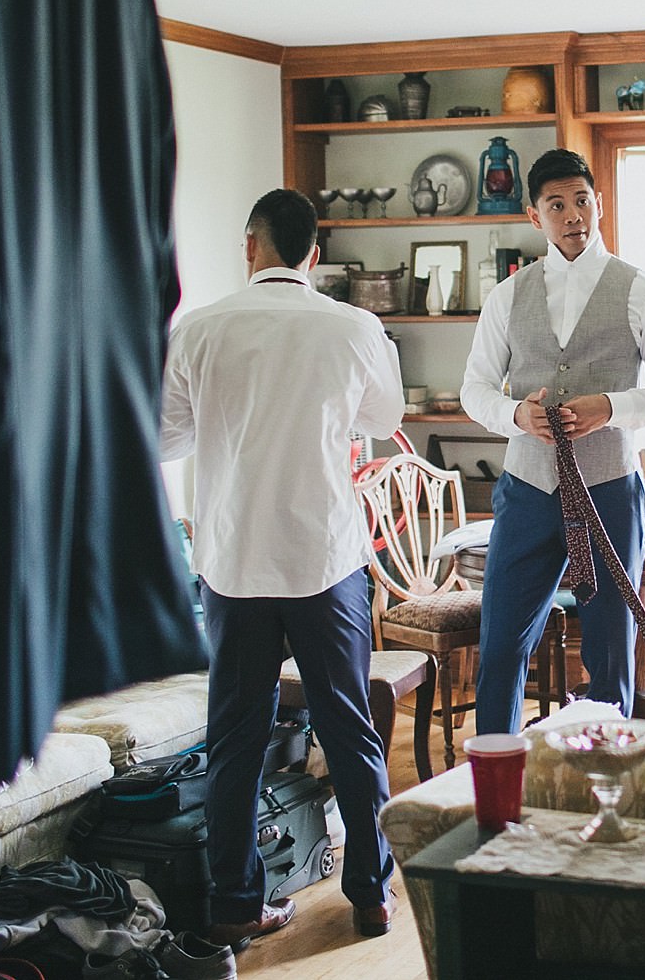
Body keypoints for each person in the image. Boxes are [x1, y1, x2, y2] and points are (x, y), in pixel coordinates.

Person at [159, 188, 403, 948]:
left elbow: (164, 439)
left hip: (233, 561)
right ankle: (370, 894)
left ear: (249, 246)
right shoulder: (354, 326)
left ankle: (235, 905)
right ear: (314, 256)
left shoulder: (198, 329)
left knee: (235, 736)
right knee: (349, 728)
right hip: (324, 557)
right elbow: (383, 419)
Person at [463, 148, 645, 734]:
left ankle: (607, 771)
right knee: (502, 646)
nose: (573, 215)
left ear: (599, 203)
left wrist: (611, 407)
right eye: (557, 205)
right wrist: (517, 415)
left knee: (612, 651)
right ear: (534, 215)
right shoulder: (508, 295)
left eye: (582, 200)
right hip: (527, 489)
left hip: (610, 488)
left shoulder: (641, 290)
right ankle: (495, 771)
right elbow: (475, 389)